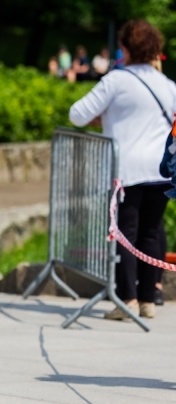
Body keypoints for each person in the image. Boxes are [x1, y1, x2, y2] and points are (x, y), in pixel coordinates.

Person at [70, 19, 176, 320]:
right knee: (151, 233)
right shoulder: (168, 85)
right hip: (160, 170)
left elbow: (77, 114)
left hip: (125, 170)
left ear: (125, 47)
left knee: (124, 234)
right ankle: (147, 300)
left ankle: (125, 299)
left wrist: (106, 114)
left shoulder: (116, 81)